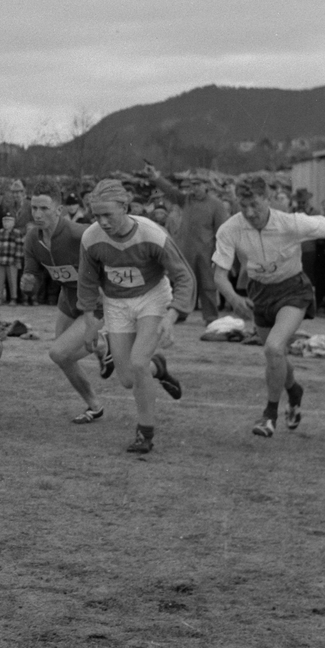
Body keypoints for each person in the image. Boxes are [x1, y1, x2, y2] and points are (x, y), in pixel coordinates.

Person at [212, 175, 325, 438]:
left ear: (268, 200)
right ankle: (294, 389)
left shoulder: (290, 222)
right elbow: (219, 275)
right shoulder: (230, 229)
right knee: (275, 355)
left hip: (293, 290)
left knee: (273, 347)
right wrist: (234, 299)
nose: (249, 213)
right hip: (258, 293)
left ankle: (269, 415)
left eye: (255, 206)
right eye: (243, 206)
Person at [76, 179, 192, 454]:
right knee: (128, 378)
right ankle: (159, 369)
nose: (102, 222)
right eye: (96, 215)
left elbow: (183, 276)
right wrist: (91, 322)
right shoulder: (91, 238)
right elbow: (87, 282)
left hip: (152, 297)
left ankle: (145, 432)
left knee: (139, 363)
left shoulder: (152, 235)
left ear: (125, 207)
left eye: (108, 215)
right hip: (116, 303)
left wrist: (172, 315)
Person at [21, 182, 113, 424]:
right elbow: (33, 273)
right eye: (34, 208)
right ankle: (95, 405)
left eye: (44, 208)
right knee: (63, 357)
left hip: (94, 300)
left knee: (58, 352)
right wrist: (28, 280)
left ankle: (104, 344)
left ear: (58, 209)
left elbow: (112, 250)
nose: (38, 214)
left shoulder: (79, 234)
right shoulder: (32, 238)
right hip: (67, 298)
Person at [143, 166, 228, 324]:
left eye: (198, 185)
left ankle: (210, 316)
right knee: (185, 282)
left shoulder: (216, 205)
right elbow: (170, 191)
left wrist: (219, 254)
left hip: (206, 252)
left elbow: (222, 233)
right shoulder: (187, 200)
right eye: (192, 185)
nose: (194, 189)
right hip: (186, 251)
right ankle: (180, 313)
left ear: (206, 186)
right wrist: (156, 177)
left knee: (208, 285)